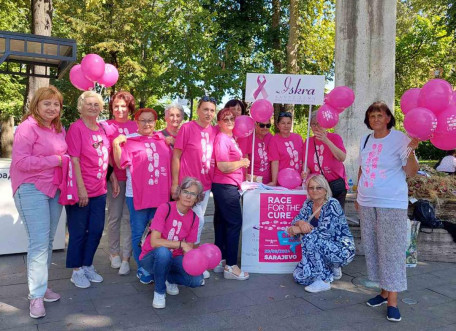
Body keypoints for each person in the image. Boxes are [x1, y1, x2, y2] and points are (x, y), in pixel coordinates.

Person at [356, 101, 419, 322]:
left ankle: (393, 300)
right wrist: (358, 194)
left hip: (391, 202)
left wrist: (411, 151)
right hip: (367, 201)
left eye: (380, 115)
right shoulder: (365, 139)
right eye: (372, 115)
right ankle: (383, 292)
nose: (375, 119)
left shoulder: (400, 139)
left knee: (391, 250)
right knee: (373, 248)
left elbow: (411, 172)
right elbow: (363, 167)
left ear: (388, 118)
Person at [11, 86, 67, 318]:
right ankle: (35, 296)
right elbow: (22, 162)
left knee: (46, 241)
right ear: (37, 105)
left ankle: (42, 288)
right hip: (31, 188)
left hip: (53, 189)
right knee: (38, 243)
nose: (52, 108)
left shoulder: (58, 128)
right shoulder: (27, 128)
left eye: (56, 104)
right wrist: (55, 160)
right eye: (47, 103)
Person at [66, 91, 119, 289]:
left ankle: (88, 264)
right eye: (89, 104)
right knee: (78, 231)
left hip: (99, 190)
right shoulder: (76, 128)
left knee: (96, 230)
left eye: (96, 104)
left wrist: (112, 177)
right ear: (81, 107)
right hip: (83, 190)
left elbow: (106, 157)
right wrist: (81, 189)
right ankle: (77, 270)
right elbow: (74, 159)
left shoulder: (102, 129)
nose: (93, 107)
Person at [113, 107, 172, 284]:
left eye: (150, 120)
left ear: (155, 123)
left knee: (157, 232)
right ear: (136, 122)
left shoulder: (161, 139)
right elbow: (120, 164)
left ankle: (156, 265)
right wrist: (116, 144)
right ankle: (143, 268)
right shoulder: (129, 140)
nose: (147, 124)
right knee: (139, 233)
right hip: (136, 195)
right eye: (143, 120)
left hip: (160, 196)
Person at [139, 177, 205, 309]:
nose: (188, 196)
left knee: (197, 280)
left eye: (193, 194)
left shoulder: (194, 219)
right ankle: (159, 291)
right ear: (179, 192)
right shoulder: (165, 208)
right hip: (151, 256)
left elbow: (189, 249)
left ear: (197, 199)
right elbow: (154, 242)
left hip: (174, 257)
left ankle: (169, 277)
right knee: (163, 252)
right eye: (186, 191)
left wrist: (196, 264)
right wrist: (181, 244)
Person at [172, 96, 218, 279]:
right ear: (198, 110)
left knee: (197, 224)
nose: (209, 113)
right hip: (188, 187)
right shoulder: (187, 128)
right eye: (205, 109)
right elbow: (176, 156)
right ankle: (182, 260)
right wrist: (175, 184)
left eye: (212, 110)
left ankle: (194, 260)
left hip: (205, 186)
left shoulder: (215, 131)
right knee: (184, 223)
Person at [288, 175, 355, 293]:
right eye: (311, 188)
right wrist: (301, 222)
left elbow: (326, 233)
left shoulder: (332, 204)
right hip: (322, 246)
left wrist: (300, 229)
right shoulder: (309, 203)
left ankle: (324, 280)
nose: (314, 191)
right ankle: (330, 268)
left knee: (309, 238)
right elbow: (296, 219)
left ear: (325, 190)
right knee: (298, 276)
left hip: (341, 249)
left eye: (318, 188)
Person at [101, 91, 138, 275]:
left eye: (123, 106)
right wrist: (112, 176)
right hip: (115, 178)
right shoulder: (106, 126)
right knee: (114, 216)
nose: (120, 109)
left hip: (133, 179)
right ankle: (113, 252)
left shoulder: (136, 125)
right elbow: (105, 154)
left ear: (129, 107)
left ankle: (126, 254)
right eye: (116, 106)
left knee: (128, 217)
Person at [212, 108, 250, 280]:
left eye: (232, 119)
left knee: (222, 223)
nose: (228, 121)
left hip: (226, 186)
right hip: (226, 187)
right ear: (218, 122)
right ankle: (231, 266)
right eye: (224, 119)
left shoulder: (229, 139)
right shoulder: (222, 139)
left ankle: (221, 260)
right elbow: (223, 166)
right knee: (235, 224)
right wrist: (242, 162)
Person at [303, 112, 348, 209]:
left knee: (336, 216)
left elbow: (342, 157)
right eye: (313, 124)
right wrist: (306, 172)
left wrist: (326, 140)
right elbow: (307, 164)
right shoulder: (308, 142)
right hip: (319, 187)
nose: (316, 127)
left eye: (319, 123)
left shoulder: (335, 138)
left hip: (335, 184)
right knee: (320, 215)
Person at [268, 112, 304, 186]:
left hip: (298, 180)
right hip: (283, 181)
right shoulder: (274, 140)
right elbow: (275, 162)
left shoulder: (298, 138)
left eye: (288, 123)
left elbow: (303, 158)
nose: (286, 126)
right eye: (283, 123)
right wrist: (274, 182)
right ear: (278, 125)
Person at [245, 119, 273, 184]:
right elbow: (245, 162)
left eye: (268, 125)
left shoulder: (271, 137)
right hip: (252, 182)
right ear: (255, 125)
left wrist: (273, 181)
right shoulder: (249, 137)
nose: (265, 128)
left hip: (268, 183)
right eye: (262, 125)